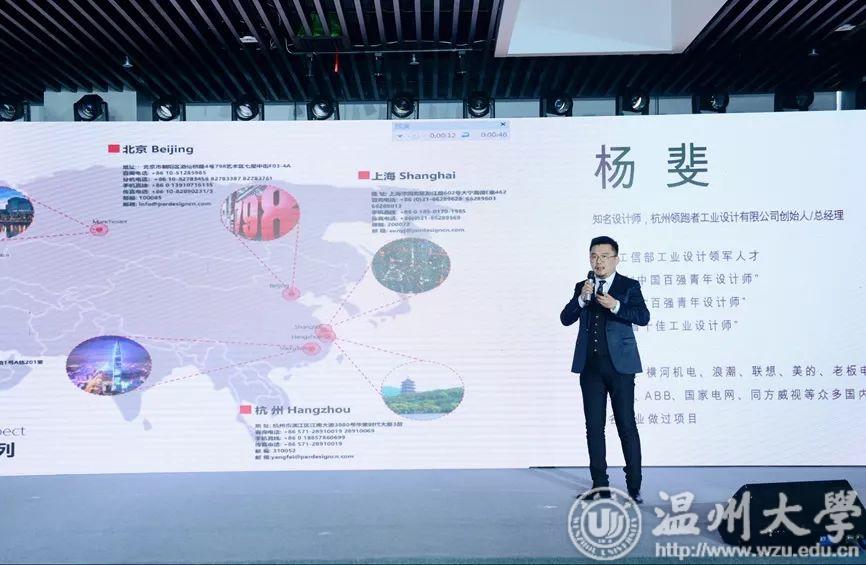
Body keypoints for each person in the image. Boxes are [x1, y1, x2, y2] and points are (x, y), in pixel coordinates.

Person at [560, 236, 650, 503]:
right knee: (594, 427)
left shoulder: (628, 285)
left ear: (616, 259)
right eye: (593, 256)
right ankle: (600, 485)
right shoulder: (583, 286)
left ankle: (634, 487)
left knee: (626, 425)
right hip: (590, 368)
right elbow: (566, 318)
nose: (598, 261)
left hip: (621, 367)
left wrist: (616, 305)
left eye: (604, 256)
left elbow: (643, 317)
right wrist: (581, 300)